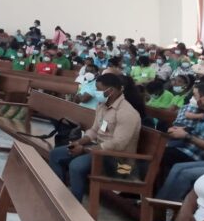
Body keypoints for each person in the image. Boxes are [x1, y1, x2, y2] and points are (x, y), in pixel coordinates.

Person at [49, 73, 142, 201]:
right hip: (97, 149)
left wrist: (86, 150)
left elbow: (118, 144)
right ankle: (56, 196)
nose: (96, 92)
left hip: (116, 159)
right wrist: (80, 143)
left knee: (76, 166)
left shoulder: (127, 113)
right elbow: (94, 130)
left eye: (99, 90)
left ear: (111, 91)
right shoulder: (102, 106)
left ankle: (73, 206)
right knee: (56, 154)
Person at [158, 82, 204, 186]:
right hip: (183, 148)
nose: (193, 99)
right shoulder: (203, 114)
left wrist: (186, 135)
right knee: (158, 149)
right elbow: (196, 131)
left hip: (192, 155)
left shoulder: (202, 115)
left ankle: (157, 198)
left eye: (195, 95)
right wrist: (181, 130)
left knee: (159, 155)